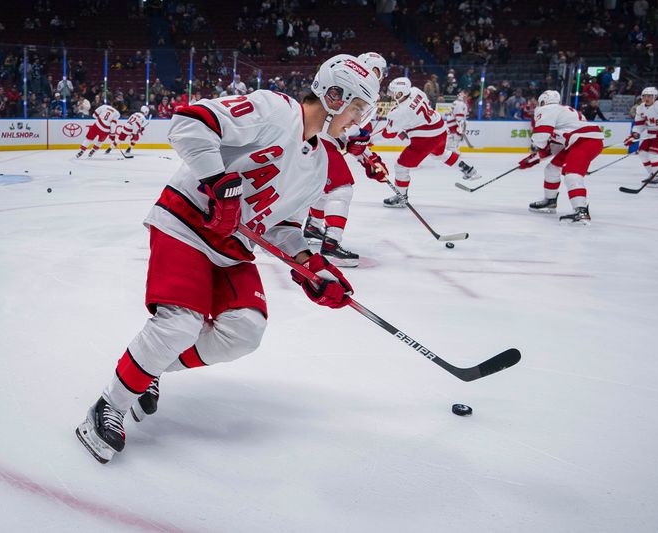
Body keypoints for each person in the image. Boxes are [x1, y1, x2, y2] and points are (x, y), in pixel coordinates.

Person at [75, 55, 380, 464]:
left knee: (244, 331)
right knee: (180, 323)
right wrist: (219, 183)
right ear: (335, 96)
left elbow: (282, 226)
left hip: (232, 248)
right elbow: (190, 123)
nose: (358, 120)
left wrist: (312, 265)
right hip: (187, 222)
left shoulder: (319, 163)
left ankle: (148, 371)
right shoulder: (275, 111)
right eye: (357, 107)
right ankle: (108, 405)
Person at [303, 52, 389, 267]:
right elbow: (348, 133)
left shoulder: (363, 93)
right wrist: (365, 154)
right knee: (340, 189)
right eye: (376, 71)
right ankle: (331, 246)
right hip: (320, 141)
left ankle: (313, 226)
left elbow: (350, 136)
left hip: (319, 140)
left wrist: (368, 157)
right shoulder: (353, 89)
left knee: (324, 187)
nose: (378, 76)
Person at [376, 77, 481, 207]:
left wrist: (369, 139)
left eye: (392, 92)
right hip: (440, 128)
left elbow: (388, 134)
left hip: (425, 138)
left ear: (400, 93)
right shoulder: (416, 91)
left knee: (401, 166)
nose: (390, 95)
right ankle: (468, 169)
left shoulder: (398, 112)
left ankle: (401, 197)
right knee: (440, 154)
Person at [519, 90, 604, 225]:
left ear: (543, 101)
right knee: (552, 169)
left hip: (584, 141)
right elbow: (555, 148)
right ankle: (550, 201)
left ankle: (581, 210)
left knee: (572, 175)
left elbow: (541, 137)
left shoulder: (547, 109)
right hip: (578, 142)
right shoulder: (562, 114)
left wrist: (537, 150)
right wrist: (534, 159)